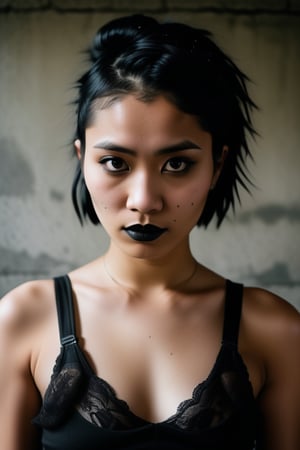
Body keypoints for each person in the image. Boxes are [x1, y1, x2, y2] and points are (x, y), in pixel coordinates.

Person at [0, 13, 299, 450]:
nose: (144, 200)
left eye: (177, 164)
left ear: (217, 164)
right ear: (82, 158)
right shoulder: (24, 319)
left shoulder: (275, 331)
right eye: (116, 163)